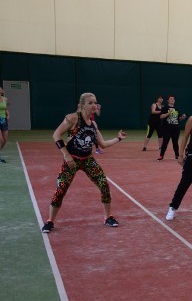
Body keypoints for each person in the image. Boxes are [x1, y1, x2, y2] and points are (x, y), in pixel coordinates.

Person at [41, 93, 127, 233]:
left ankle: (108, 217)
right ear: (82, 105)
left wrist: (118, 138)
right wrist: (66, 155)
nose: (94, 105)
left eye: (95, 102)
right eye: (90, 103)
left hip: (87, 160)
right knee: (61, 189)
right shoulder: (73, 118)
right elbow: (56, 135)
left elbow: (103, 144)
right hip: (71, 160)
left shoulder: (93, 124)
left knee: (104, 184)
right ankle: (50, 221)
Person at [157, 95, 186, 161]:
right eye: (171, 99)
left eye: (173, 99)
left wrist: (182, 118)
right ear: (168, 100)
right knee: (165, 142)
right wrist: (168, 113)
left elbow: (178, 119)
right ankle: (161, 155)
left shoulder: (177, 108)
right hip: (167, 128)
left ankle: (177, 155)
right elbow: (161, 116)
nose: (172, 99)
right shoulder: (165, 108)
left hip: (175, 128)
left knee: (175, 142)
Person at [0, 86, 9, 163]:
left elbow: (6, 109)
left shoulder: (5, 99)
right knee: (1, 140)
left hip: (3, 120)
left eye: (0, 89)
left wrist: (8, 115)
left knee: (5, 140)